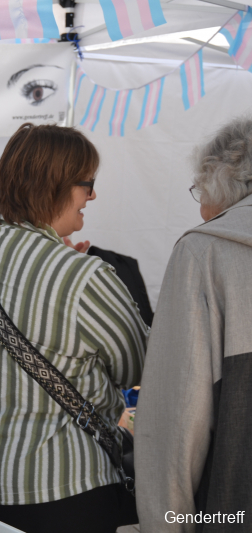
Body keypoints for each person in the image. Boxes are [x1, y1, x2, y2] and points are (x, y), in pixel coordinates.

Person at [0, 123, 148, 533]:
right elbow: (140, 368)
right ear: (56, 186)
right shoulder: (84, 276)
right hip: (59, 492)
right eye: (87, 184)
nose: (92, 196)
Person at [135, 118, 252, 532]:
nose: (201, 209)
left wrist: (166, 524)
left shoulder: (205, 252)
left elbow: (177, 417)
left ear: (222, 183)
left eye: (200, 191)